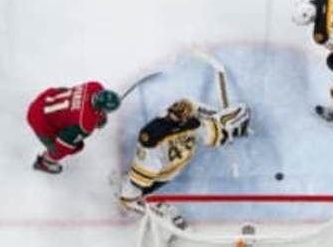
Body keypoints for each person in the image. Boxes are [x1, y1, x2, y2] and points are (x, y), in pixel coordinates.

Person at [118, 99, 251, 227]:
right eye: (173, 115)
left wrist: (226, 127)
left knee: (141, 184)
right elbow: (145, 167)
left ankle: (134, 195)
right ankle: (131, 198)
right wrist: (136, 186)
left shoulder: (191, 121)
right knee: (138, 185)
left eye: (179, 117)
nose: (173, 119)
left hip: (170, 169)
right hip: (163, 172)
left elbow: (211, 129)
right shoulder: (153, 133)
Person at [27, 81, 120, 174]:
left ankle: (61, 119)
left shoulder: (94, 86)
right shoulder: (85, 124)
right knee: (70, 147)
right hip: (38, 120)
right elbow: (62, 145)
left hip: (44, 100)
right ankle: (45, 162)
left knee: (66, 92)